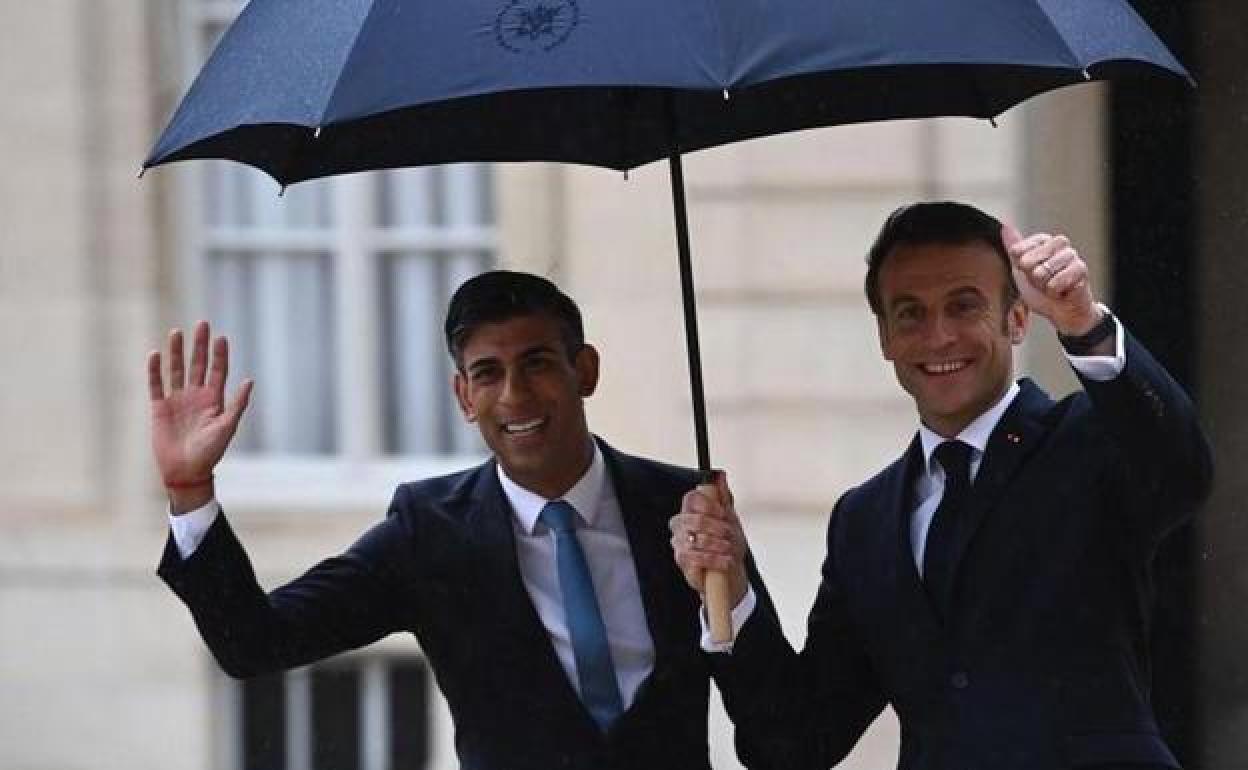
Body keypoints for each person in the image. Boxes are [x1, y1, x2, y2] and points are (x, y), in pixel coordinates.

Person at [671, 202, 1213, 770]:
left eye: (964, 305)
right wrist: (731, 590)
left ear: (1018, 319)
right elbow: (794, 742)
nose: (939, 336)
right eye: (910, 314)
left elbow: (1181, 467)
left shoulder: (1089, 442)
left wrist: (1084, 323)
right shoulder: (865, 519)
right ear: (884, 336)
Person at [151, 270, 735, 770]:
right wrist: (190, 489)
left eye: (537, 364)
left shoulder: (685, 507)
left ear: (584, 370)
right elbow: (255, 644)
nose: (515, 395)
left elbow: (779, 734)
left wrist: (735, 598)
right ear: (463, 395)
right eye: (488, 373)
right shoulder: (429, 533)